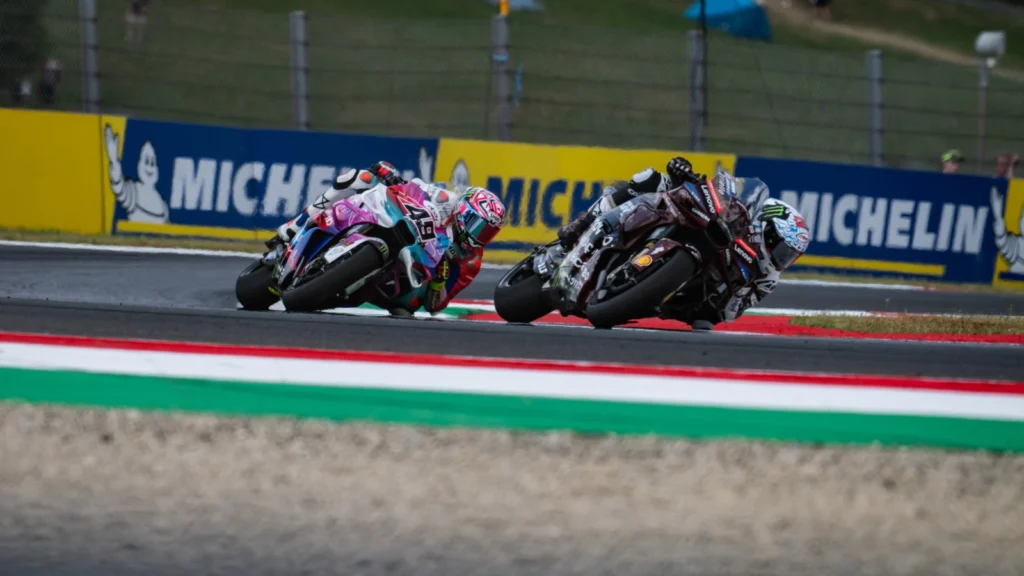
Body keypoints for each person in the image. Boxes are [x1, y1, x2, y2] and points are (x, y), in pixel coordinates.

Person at [556, 157, 810, 332]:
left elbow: (731, 313)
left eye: (790, 255)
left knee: (704, 324)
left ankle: (635, 296)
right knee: (651, 179)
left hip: (691, 297)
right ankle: (583, 223)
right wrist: (683, 174)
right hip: (687, 225)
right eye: (782, 250)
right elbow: (714, 191)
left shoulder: (767, 278)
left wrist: (736, 292)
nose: (782, 259)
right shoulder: (738, 213)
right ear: (765, 229)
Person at [270, 161, 506, 315]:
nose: (479, 236)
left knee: (407, 309)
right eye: (477, 226)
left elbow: (435, 307)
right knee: (360, 178)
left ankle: (343, 287)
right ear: (463, 210)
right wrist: (391, 176)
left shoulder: (471, 261)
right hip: (399, 225)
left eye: (487, 232)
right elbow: (416, 189)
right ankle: (294, 226)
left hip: (409, 277)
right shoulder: (446, 199)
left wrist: (438, 282)